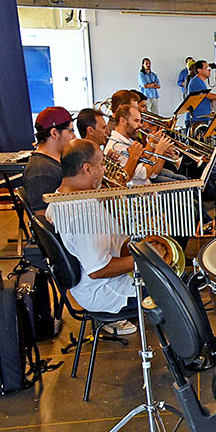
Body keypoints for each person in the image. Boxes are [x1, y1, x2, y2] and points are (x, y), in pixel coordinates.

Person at [45, 139, 146, 335]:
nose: (104, 171)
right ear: (87, 169)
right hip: (106, 293)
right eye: (101, 165)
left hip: (87, 289)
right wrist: (146, 260)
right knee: (181, 286)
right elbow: (99, 269)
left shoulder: (57, 198)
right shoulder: (84, 212)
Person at [105, 105, 173, 186]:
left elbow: (154, 173)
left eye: (140, 121)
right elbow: (144, 174)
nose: (140, 125)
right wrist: (158, 151)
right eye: (136, 121)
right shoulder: (116, 146)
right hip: (137, 196)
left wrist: (163, 154)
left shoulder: (129, 142)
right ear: (123, 121)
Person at [25, 106, 75, 215]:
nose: (74, 136)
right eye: (71, 131)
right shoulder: (40, 171)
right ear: (54, 133)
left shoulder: (56, 161)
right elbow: (43, 221)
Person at [186, 60, 216, 125]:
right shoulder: (196, 82)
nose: (209, 70)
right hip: (196, 119)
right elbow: (209, 96)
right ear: (199, 70)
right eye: (207, 68)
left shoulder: (201, 82)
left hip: (202, 118)